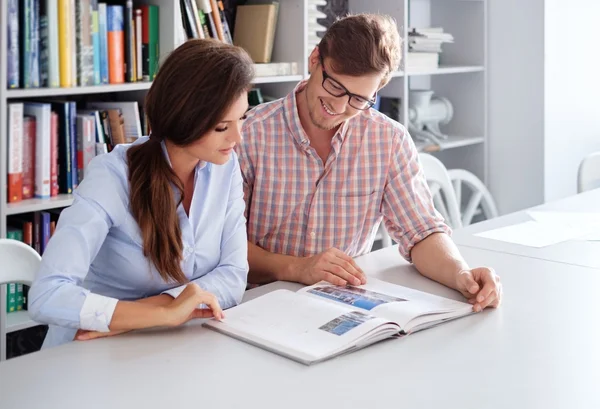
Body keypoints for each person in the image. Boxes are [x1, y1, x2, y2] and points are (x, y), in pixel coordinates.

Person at [236, 14, 502, 312]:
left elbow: (421, 232)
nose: (338, 107)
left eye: (358, 99)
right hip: (257, 304)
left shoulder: (388, 139)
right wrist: (297, 268)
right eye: (335, 86)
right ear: (315, 60)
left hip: (339, 306)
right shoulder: (248, 133)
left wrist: (461, 273)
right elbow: (223, 247)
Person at [28, 39, 254, 348]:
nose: (237, 137)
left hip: (166, 347)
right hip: (87, 352)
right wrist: (163, 314)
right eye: (221, 127)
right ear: (184, 119)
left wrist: (156, 312)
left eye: (242, 117)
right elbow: (47, 295)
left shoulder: (224, 167)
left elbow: (233, 275)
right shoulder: (112, 176)